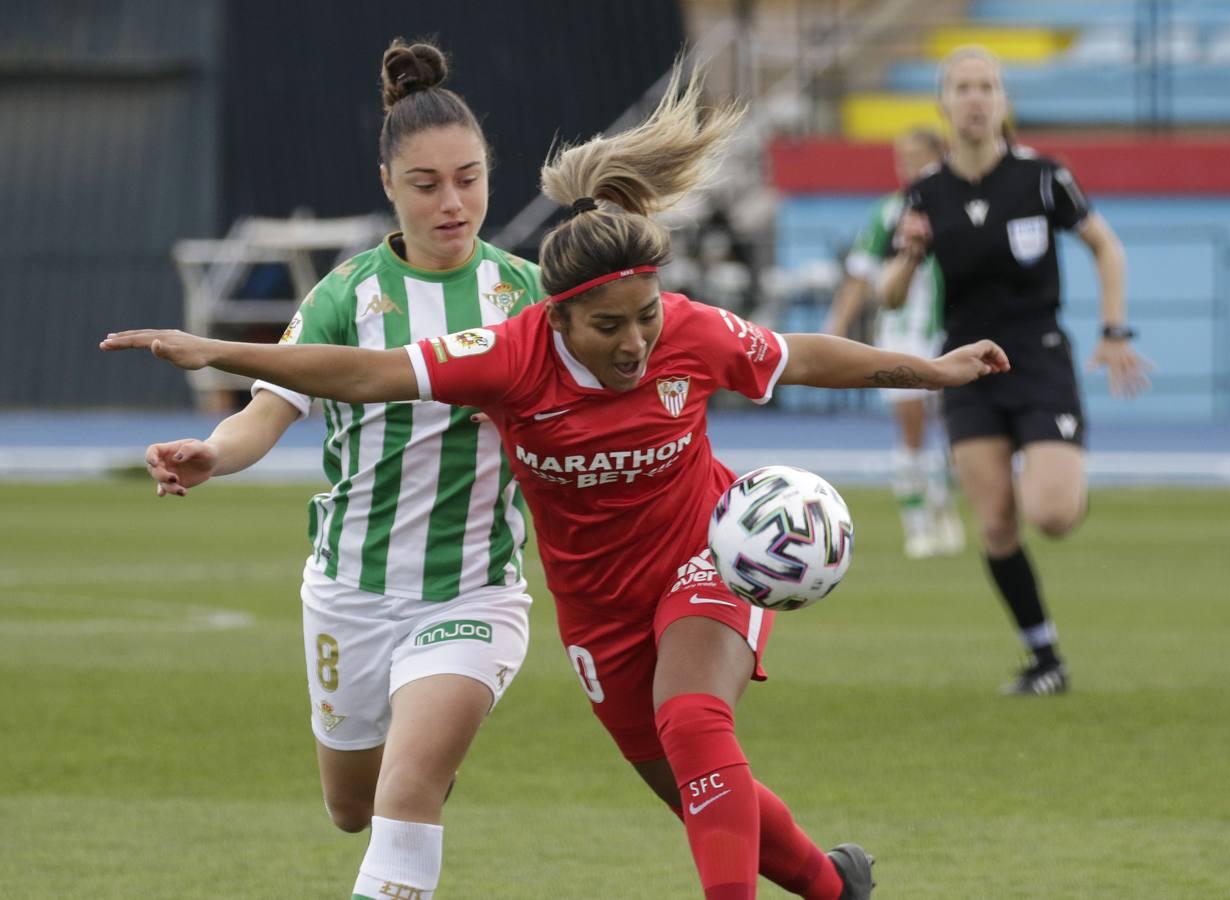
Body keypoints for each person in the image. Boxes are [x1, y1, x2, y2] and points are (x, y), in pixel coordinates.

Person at [103, 62, 1009, 899]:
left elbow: (801, 354)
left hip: (636, 565)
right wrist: (215, 372)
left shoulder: (632, 315)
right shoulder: (494, 347)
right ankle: (831, 884)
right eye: (426, 182)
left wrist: (932, 369)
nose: (634, 343)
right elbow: (360, 375)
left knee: (684, 728)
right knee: (664, 787)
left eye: (469, 177)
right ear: (561, 317)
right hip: (531, 601)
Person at [140, 40, 543, 899]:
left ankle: (425, 764)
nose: (453, 201)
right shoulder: (344, 296)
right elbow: (264, 413)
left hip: (474, 589)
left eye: (469, 179)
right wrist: (212, 454)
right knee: (353, 809)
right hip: (349, 591)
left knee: (405, 793)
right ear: (388, 184)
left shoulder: (530, 295)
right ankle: (420, 767)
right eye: (427, 183)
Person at [889, 45, 1151, 696]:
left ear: (1002, 101)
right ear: (944, 104)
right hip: (965, 362)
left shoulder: (1041, 177)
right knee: (997, 524)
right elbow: (891, 295)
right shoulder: (923, 192)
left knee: (1053, 516)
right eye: (963, 88)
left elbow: (1104, 246)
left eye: (987, 87)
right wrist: (907, 254)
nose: (975, 99)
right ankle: (1043, 659)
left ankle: (1059, 472)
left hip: (1036, 354)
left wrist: (1113, 330)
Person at [826, 127, 964, 560]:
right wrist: (834, 330)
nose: (909, 168)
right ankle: (917, 526)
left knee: (954, 432)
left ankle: (942, 504)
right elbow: (859, 275)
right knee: (912, 430)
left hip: (950, 331)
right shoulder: (889, 213)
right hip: (902, 336)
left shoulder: (958, 209)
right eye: (902, 159)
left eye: (918, 159)